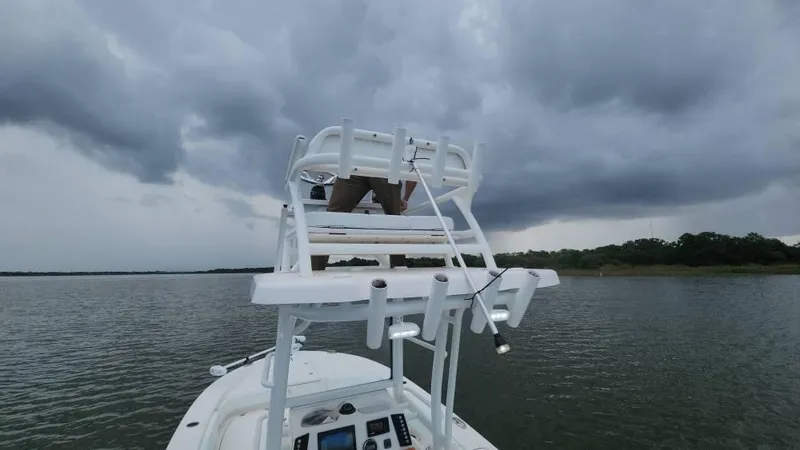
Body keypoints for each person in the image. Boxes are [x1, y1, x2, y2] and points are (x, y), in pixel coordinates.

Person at [311, 175, 417, 271]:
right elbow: (413, 162)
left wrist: (405, 197)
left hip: (368, 169)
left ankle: (314, 270)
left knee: (331, 220)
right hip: (369, 169)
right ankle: (399, 270)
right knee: (395, 222)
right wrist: (405, 198)